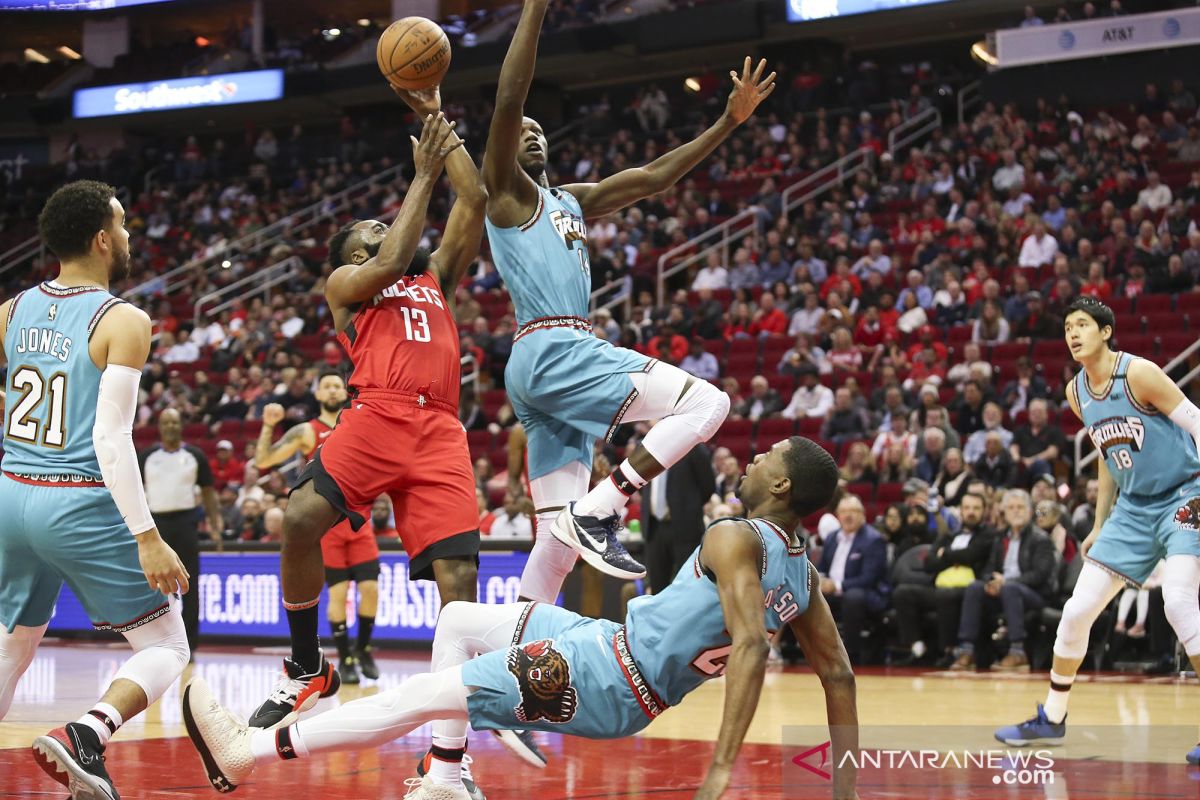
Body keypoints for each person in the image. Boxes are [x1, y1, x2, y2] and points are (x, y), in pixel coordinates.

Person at [181, 437, 860, 800]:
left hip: (610, 680)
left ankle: (248, 753)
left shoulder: (732, 535)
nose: (755, 457)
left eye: (770, 455)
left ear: (780, 485)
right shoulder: (799, 572)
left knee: (423, 695)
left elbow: (747, 649)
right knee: (459, 623)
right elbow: (839, 675)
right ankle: (446, 781)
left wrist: (719, 772)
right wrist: (845, 789)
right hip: (609, 645)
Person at [481, 0, 773, 597]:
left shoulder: (569, 199)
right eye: (523, 133)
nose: (531, 136)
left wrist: (727, 124)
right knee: (707, 405)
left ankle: (504, 658)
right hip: (553, 343)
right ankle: (604, 506)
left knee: (553, 545)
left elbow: (653, 179)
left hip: (539, 365)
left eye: (541, 133)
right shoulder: (506, 194)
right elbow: (510, 100)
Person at [248, 98, 488, 730]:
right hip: (377, 413)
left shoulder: (436, 277)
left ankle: (447, 746)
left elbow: (477, 201)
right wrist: (422, 175)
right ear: (350, 258)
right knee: (300, 516)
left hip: (440, 426)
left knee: (458, 581)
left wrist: (440, 123)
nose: (385, 233)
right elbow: (388, 260)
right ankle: (307, 667)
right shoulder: (347, 288)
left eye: (388, 226)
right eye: (371, 233)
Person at [0, 181, 190, 799]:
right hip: (74, 498)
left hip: (11, 490)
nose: (131, 236)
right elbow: (111, 439)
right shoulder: (124, 320)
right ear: (103, 240)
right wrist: (147, 536)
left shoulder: (10, 310)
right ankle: (88, 733)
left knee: (16, 641)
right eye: (125, 225)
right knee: (167, 644)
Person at [996, 298, 1200, 763]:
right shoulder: (1076, 391)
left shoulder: (1140, 374)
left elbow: (1196, 422)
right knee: (1076, 612)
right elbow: (1109, 455)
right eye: (1068, 326)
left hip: (1184, 495)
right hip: (1132, 510)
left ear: (1105, 331)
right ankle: (1052, 716)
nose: (1072, 333)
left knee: (1178, 602)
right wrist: (1102, 521)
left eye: (1082, 324)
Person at [255, 373, 380, 685]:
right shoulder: (306, 431)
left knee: (371, 590)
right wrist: (269, 425)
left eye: (338, 384)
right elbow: (264, 459)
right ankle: (346, 657)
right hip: (328, 525)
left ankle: (363, 647)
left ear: (347, 389)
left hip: (359, 518)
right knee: (337, 593)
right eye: (327, 385)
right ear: (318, 394)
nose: (333, 389)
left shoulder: (360, 421)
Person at [139, 407, 223, 654]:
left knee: (190, 584)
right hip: (156, 527)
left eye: (175, 422)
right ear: (160, 427)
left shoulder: (195, 455)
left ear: (181, 426)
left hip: (186, 524)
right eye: (166, 423)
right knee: (153, 585)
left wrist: (216, 527)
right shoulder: (147, 456)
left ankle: (190, 645)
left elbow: (208, 493)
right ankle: (154, 642)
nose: (171, 427)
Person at [950, 489, 1057, 673]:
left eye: (1020, 507)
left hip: (1035, 595)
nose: (1016, 511)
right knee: (975, 587)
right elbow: (988, 570)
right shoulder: (999, 537)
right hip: (1005, 591)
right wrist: (990, 582)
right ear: (1004, 513)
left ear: (1030, 511)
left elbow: (1040, 575)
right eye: (1011, 508)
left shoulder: (1041, 539)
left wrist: (1006, 581)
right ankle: (967, 650)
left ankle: (1018, 652)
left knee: (1011, 588)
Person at [892, 492, 993, 667]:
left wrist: (945, 555)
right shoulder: (949, 536)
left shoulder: (988, 535)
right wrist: (953, 558)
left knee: (946, 595)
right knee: (903, 593)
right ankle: (917, 647)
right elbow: (929, 562)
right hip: (940, 585)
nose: (971, 512)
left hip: (969, 589)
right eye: (967, 507)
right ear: (960, 511)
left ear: (984, 511)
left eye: (976, 508)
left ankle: (950, 651)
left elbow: (972, 554)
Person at [816, 495, 890, 664]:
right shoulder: (832, 538)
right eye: (843, 512)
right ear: (838, 515)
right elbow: (822, 568)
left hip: (867, 594)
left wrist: (837, 585)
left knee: (853, 597)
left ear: (862, 515)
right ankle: (815, 650)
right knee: (808, 595)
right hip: (834, 591)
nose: (848, 516)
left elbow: (869, 578)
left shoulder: (873, 540)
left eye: (853, 512)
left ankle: (850, 654)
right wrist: (820, 581)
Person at [641, 443, 716, 594]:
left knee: (689, 586)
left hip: (685, 527)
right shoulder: (648, 445)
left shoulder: (692, 445)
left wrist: (689, 508)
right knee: (657, 588)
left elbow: (708, 485)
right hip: (654, 527)